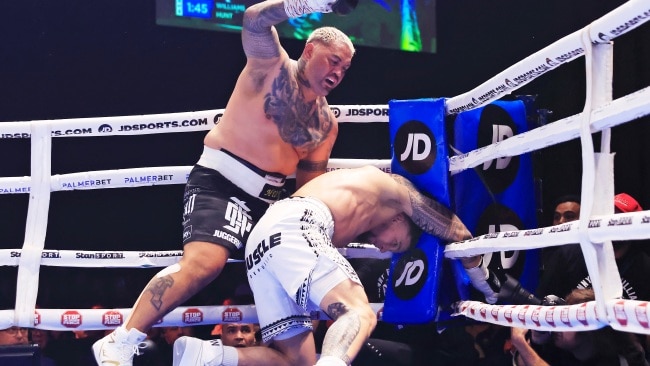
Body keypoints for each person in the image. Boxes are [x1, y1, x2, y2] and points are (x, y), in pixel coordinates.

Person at [92, 0, 357, 363]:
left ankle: (210, 357)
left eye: (345, 67)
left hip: (272, 207)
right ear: (309, 51)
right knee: (205, 263)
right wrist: (309, 3)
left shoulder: (326, 125)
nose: (338, 72)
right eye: (332, 60)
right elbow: (253, 19)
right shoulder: (270, 67)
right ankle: (121, 340)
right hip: (222, 183)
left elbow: (308, 192)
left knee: (299, 342)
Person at [173, 165, 487, 366]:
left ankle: (209, 355)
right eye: (395, 242)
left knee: (296, 362)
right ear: (399, 217)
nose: (381, 247)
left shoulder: (354, 202)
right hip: (296, 225)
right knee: (359, 313)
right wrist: (482, 279)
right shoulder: (396, 191)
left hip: (262, 244)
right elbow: (456, 231)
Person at [510, 288, 649, 366]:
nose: (559, 326)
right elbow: (522, 362)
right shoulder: (561, 345)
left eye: (568, 321)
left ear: (590, 329)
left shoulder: (618, 360)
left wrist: (520, 343)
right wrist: (536, 342)